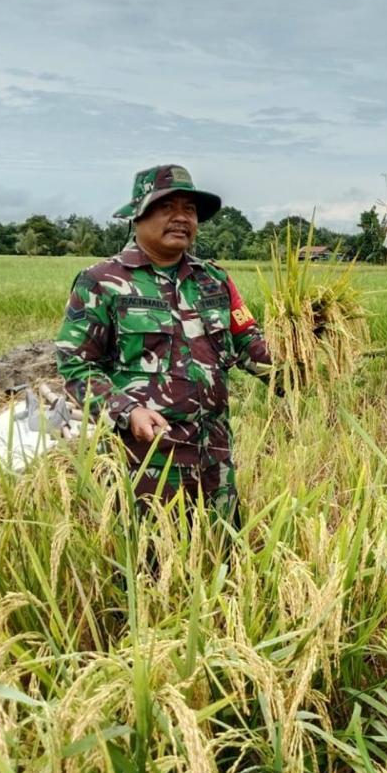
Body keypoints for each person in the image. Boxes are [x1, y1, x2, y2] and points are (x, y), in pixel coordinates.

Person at [55, 164, 272, 518]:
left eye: (189, 209)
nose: (181, 218)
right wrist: (127, 411)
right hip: (146, 464)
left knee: (222, 548)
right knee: (152, 552)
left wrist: (305, 352)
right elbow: (76, 366)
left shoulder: (213, 280)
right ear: (138, 215)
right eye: (167, 207)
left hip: (214, 461)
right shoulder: (101, 282)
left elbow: (249, 344)